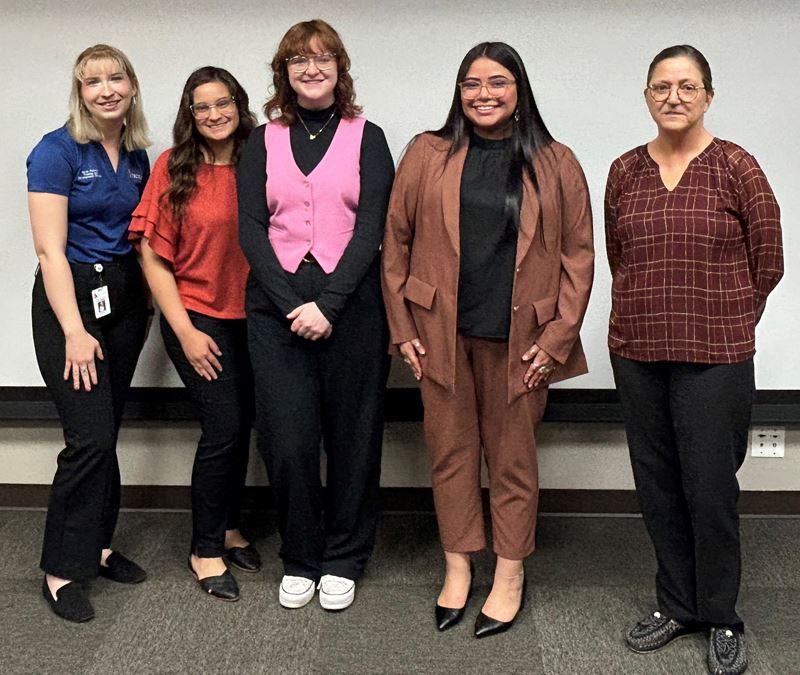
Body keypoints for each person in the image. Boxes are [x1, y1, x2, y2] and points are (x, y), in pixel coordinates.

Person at [381, 41, 594, 638]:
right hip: (437, 338)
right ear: (458, 92)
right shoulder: (426, 154)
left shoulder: (556, 161)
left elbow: (579, 258)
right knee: (449, 456)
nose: (483, 94)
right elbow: (394, 245)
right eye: (472, 84)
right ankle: (457, 567)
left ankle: (508, 573)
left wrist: (555, 342)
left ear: (519, 90)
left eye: (497, 82)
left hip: (523, 344)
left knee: (513, 464)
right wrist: (402, 332)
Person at [605, 45, 783, 675]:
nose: (673, 97)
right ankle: (676, 604)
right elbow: (620, 258)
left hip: (717, 355)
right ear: (647, 96)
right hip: (639, 350)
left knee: (709, 490)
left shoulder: (737, 167)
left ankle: (721, 614)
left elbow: (769, 261)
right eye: (661, 87)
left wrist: (729, 317)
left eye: (686, 86)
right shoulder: (625, 171)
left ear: (708, 95)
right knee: (657, 486)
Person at [237, 19, 394, 611]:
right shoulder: (263, 138)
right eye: (299, 60)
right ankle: (300, 555)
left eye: (324, 59)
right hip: (274, 310)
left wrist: (327, 304)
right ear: (284, 70)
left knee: (354, 436)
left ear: (339, 68)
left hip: (351, 306)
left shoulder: (368, 135)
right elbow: (251, 229)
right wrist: (289, 304)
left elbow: (373, 227)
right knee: (288, 439)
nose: (311, 68)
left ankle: (345, 556)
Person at [27, 44, 151, 622]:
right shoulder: (54, 152)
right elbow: (50, 253)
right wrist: (74, 330)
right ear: (79, 91)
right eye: (92, 81)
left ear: (131, 85)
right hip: (69, 301)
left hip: (124, 299)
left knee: (109, 428)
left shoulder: (134, 154)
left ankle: (98, 548)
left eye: (115, 78)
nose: (105, 89)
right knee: (90, 440)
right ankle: (60, 570)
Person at [129, 67, 259, 602]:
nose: (213, 114)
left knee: (245, 425)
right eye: (201, 106)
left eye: (222, 102)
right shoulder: (174, 166)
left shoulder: (262, 160)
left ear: (239, 104)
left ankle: (229, 527)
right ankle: (205, 548)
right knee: (223, 428)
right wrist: (183, 331)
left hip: (259, 318)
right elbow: (152, 256)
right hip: (198, 317)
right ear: (189, 112)